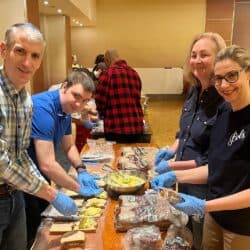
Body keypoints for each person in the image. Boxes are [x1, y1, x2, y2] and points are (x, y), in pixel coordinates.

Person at [152, 45, 250, 249]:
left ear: (248, 74)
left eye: (232, 76)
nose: (224, 85)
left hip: (242, 226)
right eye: (218, 78)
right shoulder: (223, 112)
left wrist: (203, 205)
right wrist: (176, 176)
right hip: (214, 217)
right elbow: (216, 168)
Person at [0, 22, 77, 250]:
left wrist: (47, 189)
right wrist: (51, 193)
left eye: (35, 56)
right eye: (20, 51)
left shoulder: (25, 99)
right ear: (3, 50)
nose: (27, 63)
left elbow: (21, 155)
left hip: (16, 195)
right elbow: (2, 162)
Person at [25, 71, 103, 246]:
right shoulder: (44, 108)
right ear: (64, 87)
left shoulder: (66, 109)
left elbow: (69, 146)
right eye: (76, 96)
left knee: (39, 220)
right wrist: (77, 187)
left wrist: (81, 169)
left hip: (40, 175)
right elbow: (47, 164)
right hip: (24, 178)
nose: (78, 104)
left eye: (84, 101)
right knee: (31, 231)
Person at [95, 48, 144, 143]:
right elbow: (137, 98)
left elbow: (100, 101)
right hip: (136, 127)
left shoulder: (107, 75)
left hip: (115, 128)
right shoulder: (135, 73)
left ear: (107, 60)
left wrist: (100, 115)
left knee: (116, 156)